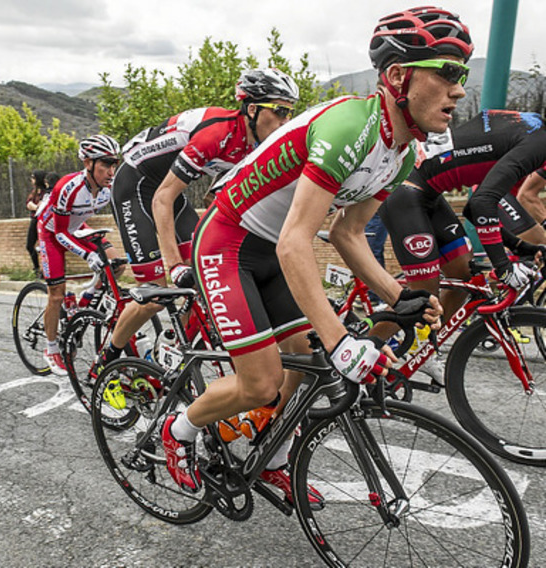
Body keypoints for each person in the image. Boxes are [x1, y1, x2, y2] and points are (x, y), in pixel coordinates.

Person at [160, 6, 470, 501]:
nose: (459, 90)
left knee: (305, 367)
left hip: (274, 248)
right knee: (261, 383)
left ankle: (272, 457)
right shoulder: (350, 127)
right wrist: (341, 339)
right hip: (228, 242)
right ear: (398, 76)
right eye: (448, 72)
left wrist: (398, 296)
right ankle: (179, 431)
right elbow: (295, 241)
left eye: (462, 75)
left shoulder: (402, 153)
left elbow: (348, 233)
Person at [97, 68, 299, 371]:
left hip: (167, 189)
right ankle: (107, 358)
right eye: (280, 111)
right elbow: (162, 199)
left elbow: (213, 200)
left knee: (208, 268)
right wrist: (175, 265)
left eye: (290, 112)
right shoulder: (218, 134)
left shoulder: (252, 144)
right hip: (135, 186)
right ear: (253, 109)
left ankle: (172, 348)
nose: (286, 120)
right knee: (155, 293)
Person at [380, 110, 546, 326]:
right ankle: (366, 345)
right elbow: (482, 204)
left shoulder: (532, 129)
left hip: (427, 191)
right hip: (405, 188)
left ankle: (429, 343)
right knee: (423, 302)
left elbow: (473, 208)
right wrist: (504, 268)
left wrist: (519, 246)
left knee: (463, 274)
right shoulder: (538, 143)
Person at [36, 135, 125, 375]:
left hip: (77, 227)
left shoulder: (109, 188)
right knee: (56, 294)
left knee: (116, 264)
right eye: (105, 164)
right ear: (88, 163)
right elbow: (61, 232)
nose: (111, 171)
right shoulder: (67, 187)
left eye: (114, 164)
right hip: (52, 231)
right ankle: (51, 348)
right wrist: (88, 256)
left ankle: (84, 300)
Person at [25, 169, 47, 277]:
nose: (32, 180)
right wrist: (35, 206)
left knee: (45, 246)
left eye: (33, 178)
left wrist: (35, 207)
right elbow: (28, 203)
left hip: (43, 220)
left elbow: (42, 206)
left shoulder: (45, 192)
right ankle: (36, 268)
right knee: (29, 245)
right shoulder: (34, 192)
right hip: (34, 220)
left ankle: (45, 270)